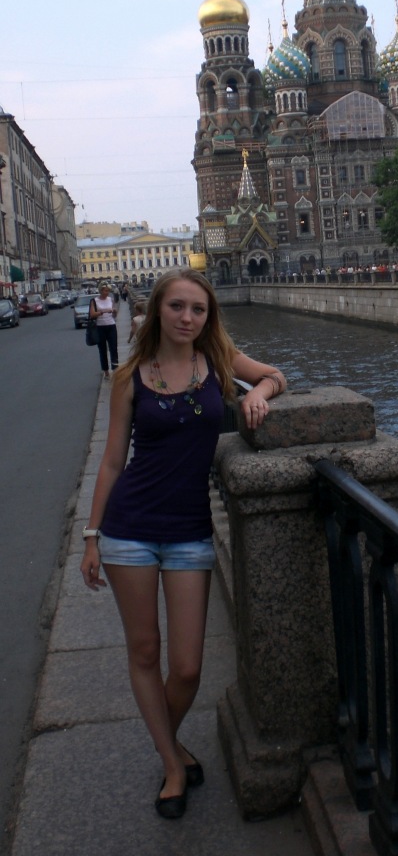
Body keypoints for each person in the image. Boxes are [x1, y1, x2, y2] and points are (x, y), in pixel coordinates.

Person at [80, 268, 286, 820]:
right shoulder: (131, 376)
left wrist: (258, 393)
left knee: (188, 667)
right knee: (146, 651)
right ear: (157, 310)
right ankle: (173, 764)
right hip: (129, 529)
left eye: (198, 309)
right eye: (177, 306)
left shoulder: (217, 361)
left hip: (190, 530)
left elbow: (275, 375)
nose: (187, 317)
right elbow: (111, 462)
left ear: (208, 316)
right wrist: (92, 536)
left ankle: (165, 744)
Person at [90, 282, 119, 379]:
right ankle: (106, 371)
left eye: (108, 291)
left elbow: (114, 314)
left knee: (113, 348)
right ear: (101, 291)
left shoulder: (111, 299)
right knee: (102, 350)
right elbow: (92, 314)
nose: (107, 293)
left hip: (111, 325)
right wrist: (102, 312)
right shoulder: (94, 301)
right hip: (100, 327)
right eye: (105, 291)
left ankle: (115, 370)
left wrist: (114, 312)